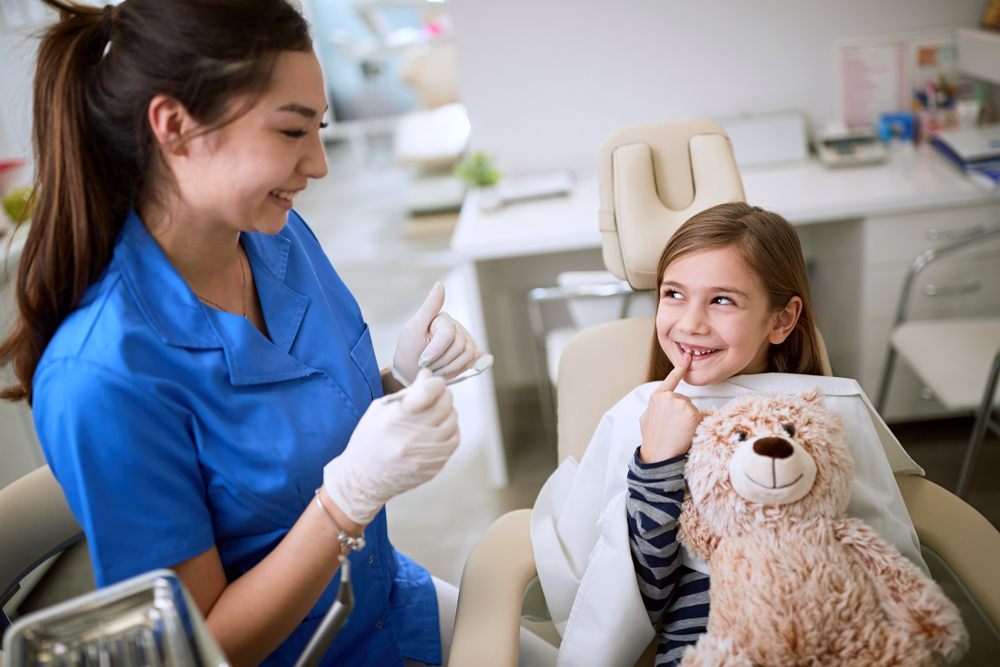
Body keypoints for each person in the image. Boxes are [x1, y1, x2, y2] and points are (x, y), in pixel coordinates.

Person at [0, 1, 502, 665]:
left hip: (386, 609)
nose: (319, 162)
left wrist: (399, 379)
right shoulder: (104, 375)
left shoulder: (278, 238)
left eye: (319, 129)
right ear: (175, 127)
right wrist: (347, 498)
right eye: (293, 132)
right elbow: (207, 645)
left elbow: (295, 422)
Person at [529, 202, 928, 665]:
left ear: (781, 319)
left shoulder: (832, 410)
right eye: (673, 294)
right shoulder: (636, 416)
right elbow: (638, 597)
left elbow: (885, 563)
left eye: (722, 300)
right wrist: (656, 462)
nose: (690, 323)